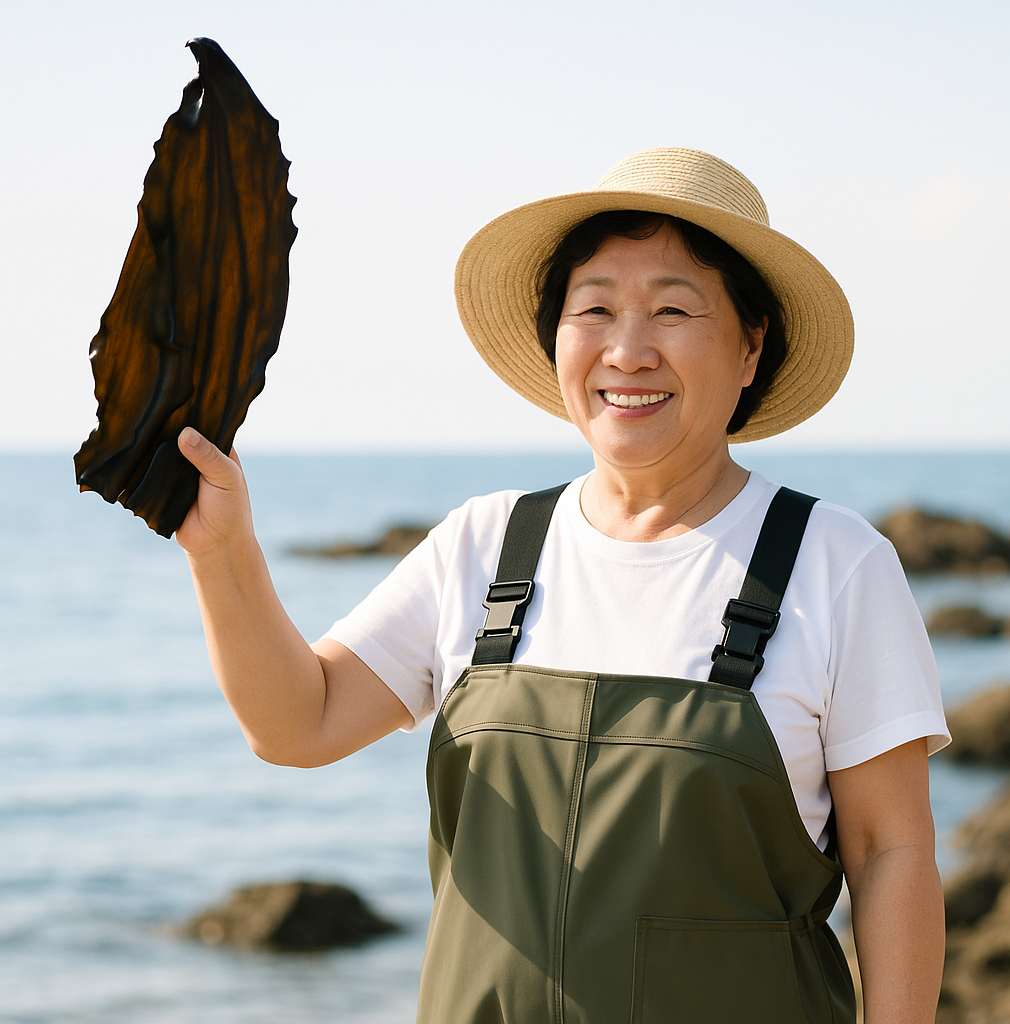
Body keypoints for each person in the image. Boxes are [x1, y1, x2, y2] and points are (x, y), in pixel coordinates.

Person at [175, 147, 949, 1024]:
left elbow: (893, 855)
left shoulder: (836, 561)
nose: (628, 349)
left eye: (672, 309)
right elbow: (295, 723)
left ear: (750, 346)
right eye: (595, 310)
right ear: (557, 343)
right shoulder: (485, 543)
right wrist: (221, 551)